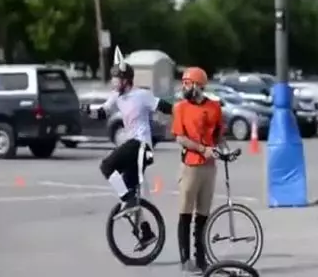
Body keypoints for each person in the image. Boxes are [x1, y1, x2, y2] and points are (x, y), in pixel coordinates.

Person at [91, 55, 173, 251]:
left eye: (116, 79)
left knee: (106, 166)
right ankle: (146, 232)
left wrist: (179, 112)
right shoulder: (117, 96)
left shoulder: (141, 95)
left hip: (141, 146)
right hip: (133, 148)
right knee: (132, 193)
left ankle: (128, 201)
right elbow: (102, 112)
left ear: (126, 80)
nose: (113, 82)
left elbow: (164, 106)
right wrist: (86, 109)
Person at [171, 67, 227, 273]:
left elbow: (219, 136)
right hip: (190, 166)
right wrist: (203, 149)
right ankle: (185, 259)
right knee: (185, 212)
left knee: (203, 214)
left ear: (198, 85)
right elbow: (180, 138)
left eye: (188, 83)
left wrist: (225, 151)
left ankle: (201, 258)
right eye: (184, 83)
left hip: (209, 167)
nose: (184, 87)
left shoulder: (214, 107)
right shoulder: (180, 108)